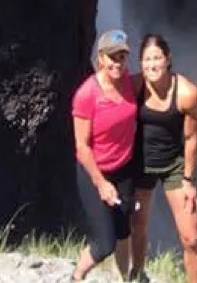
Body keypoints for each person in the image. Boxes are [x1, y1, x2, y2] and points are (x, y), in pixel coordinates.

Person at [129, 34, 197, 283]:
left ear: (168, 59)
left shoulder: (187, 93)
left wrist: (189, 181)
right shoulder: (135, 87)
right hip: (141, 165)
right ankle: (137, 275)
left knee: (191, 238)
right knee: (137, 225)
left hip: (174, 166)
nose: (152, 64)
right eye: (147, 59)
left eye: (157, 58)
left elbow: (192, 138)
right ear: (140, 62)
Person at [71, 28, 138, 281]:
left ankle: (124, 278)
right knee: (104, 243)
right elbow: (81, 146)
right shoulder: (86, 95)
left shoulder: (131, 84)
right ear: (100, 58)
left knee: (123, 231)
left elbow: (156, 82)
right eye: (112, 57)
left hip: (124, 169)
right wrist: (101, 183)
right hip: (94, 172)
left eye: (122, 57)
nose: (117, 63)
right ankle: (77, 276)